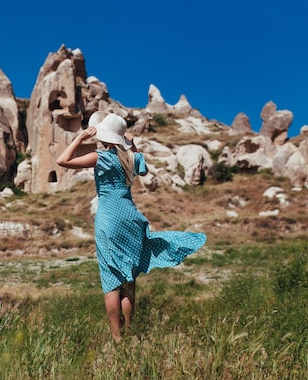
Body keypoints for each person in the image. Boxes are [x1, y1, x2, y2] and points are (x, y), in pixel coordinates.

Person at [56, 112, 206, 341]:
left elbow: (63, 161)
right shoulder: (134, 158)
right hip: (130, 216)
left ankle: (117, 339)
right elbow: (143, 169)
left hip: (109, 217)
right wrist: (130, 144)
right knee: (128, 279)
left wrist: (81, 137)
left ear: (104, 136)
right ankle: (130, 330)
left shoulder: (101, 157)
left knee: (111, 280)